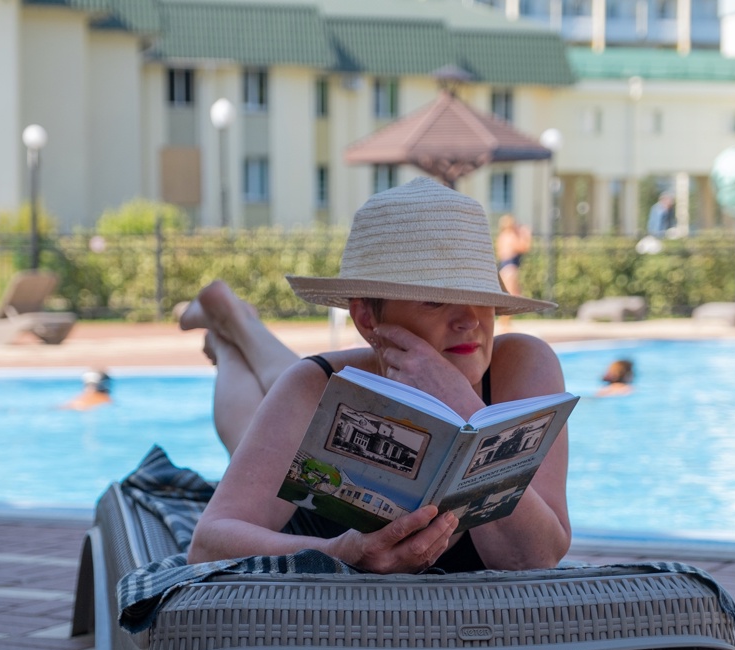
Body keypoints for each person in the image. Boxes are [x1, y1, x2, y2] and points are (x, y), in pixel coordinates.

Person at [179, 177, 571, 575]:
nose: (470, 320)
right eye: (435, 301)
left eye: (483, 299)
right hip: (303, 531)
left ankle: (231, 329)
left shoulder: (523, 365)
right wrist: (339, 552)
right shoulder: (313, 384)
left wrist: (466, 408)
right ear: (367, 318)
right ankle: (230, 336)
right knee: (251, 423)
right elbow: (207, 545)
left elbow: (537, 559)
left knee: (276, 399)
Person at [494, 213, 532, 298]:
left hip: (503, 267)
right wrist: (526, 234)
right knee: (513, 295)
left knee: (508, 294)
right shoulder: (510, 236)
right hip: (510, 268)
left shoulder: (502, 236)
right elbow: (524, 248)